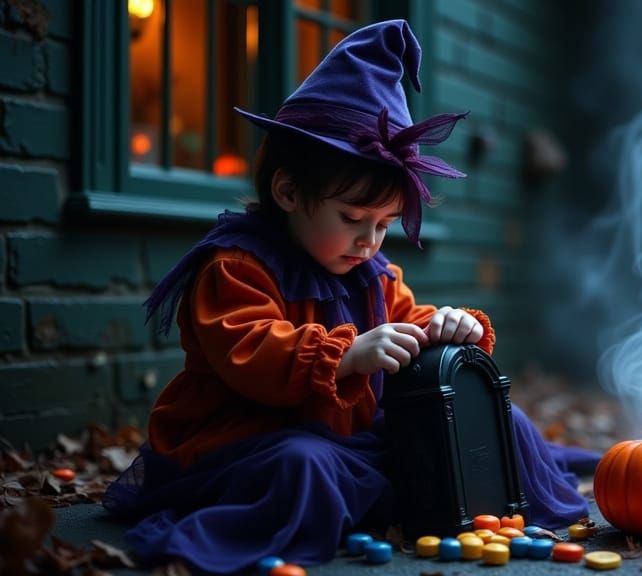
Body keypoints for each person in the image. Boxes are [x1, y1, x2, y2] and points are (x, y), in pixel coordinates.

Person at [102, 19, 596, 574]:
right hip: (247, 438)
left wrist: (448, 328)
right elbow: (250, 352)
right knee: (303, 465)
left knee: (498, 420)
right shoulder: (235, 268)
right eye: (353, 218)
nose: (369, 240)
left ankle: (489, 507)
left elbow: (407, 323)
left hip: (349, 438)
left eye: (385, 223)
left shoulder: (373, 272)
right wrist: (346, 354)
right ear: (288, 191)